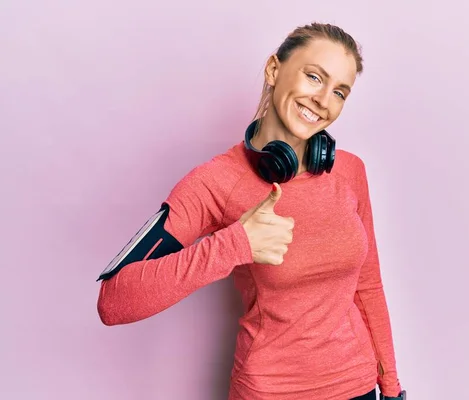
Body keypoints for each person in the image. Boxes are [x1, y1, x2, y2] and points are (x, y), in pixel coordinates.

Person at [96, 22, 406, 400]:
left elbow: (368, 285)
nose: (324, 100)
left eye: (339, 91)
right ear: (274, 70)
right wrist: (234, 244)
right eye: (313, 77)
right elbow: (113, 302)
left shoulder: (350, 171)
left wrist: (390, 387)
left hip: (357, 388)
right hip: (271, 391)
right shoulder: (217, 181)